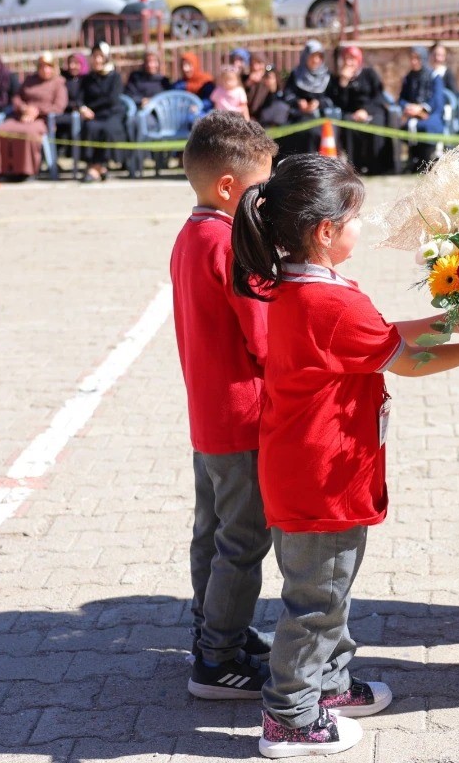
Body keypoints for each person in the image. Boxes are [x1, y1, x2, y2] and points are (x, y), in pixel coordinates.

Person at [231, 154, 459, 757]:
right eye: (356, 217)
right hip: (321, 480)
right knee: (315, 601)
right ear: (326, 232)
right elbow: (406, 361)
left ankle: (329, 685)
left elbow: (381, 337)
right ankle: (289, 715)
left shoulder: (303, 286)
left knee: (328, 588)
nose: (363, 227)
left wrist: (451, 320)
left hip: (304, 469)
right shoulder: (331, 303)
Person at [172, 111, 280, 701]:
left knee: (211, 532)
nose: (265, 196)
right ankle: (217, 659)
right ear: (228, 188)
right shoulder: (231, 241)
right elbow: (263, 339)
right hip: (243, 416)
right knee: (242, 540)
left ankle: (215, 630)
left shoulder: (192, 233)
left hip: (208, 415)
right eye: (260, 186)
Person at [0, 52, 68, 179]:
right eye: (42, 66)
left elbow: (59, 107)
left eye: (48, 66)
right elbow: (16, 97)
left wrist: (37, 111)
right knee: (2, 130)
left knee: (28, 133)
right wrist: (23, 108)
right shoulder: (29, 81)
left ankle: (27, 171)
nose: (45, 69)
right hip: (21, 116)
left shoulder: (58, 83)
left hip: (41, 119)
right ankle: (4, 170)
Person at [328, 45, 394, 174]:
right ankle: (355, 166)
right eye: (346, 59)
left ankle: (377, 166)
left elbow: (379, 97)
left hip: (373, 110)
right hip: (352, 112)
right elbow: (341, 104)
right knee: (348, 124)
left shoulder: (369, 74)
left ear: (358, 59)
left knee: (376, 124)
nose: (349, 62)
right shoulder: (339, 79)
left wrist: (366, 111)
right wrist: (343, 83)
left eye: (352, 59)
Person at [77, 41, 127, 182]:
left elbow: (111, 99)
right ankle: (99, 167)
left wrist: (92, 108)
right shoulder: (87, 79)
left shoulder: (114, 77)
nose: (97, 60)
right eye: (94, 56)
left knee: (108, 129)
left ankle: (96, 168)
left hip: (112, 113)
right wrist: (83, 108)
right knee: (90, 128)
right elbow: (79, 98)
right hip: (93, 116)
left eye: (100, 56)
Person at [277, 40, 334, 156]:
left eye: (319, 57)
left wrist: (318, 103)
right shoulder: (296, 74)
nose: (316, 60)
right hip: (298, 115)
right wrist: (298, 102)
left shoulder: (327, 77)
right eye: (312, 56)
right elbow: (287, 95)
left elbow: (332, 99)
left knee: (315, 132)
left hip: (320, 117)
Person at [399, 46, 439, 171]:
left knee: (427, 127)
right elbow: (401, 98)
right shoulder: (408, 78)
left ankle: (426, 162)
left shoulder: (434, 77)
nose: (414, 61)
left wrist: (421, 109)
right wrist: (408, 107)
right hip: (412, 115)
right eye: (412, 58)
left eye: (417, 58)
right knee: (402, 125)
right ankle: (413, 161)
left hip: (431, 115)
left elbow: (436, 100)